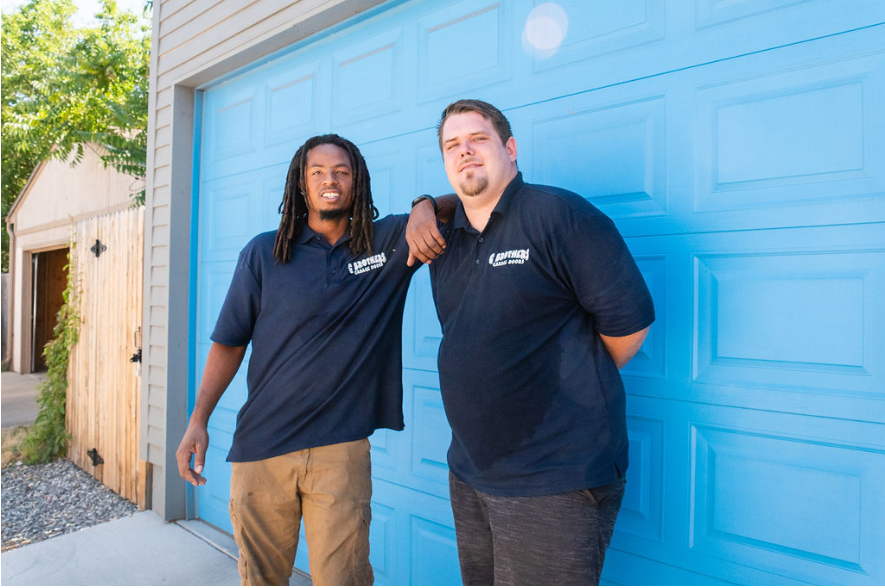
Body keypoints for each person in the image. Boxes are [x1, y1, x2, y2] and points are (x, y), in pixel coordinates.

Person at [176, 134, 450, 586]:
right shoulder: (266, 252)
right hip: (262, 450)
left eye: (341, 171)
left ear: (357, 181)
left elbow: (457, 206)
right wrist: (197, 421)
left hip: (339, 452)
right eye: (317, 171)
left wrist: (423, 205)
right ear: (300, 184)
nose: (330, 180)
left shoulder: (384, 244)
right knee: (261, 580)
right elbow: (229, 342)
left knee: (343, 579)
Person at [407, 99, 655, 585]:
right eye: (452, 146)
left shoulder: (558, 215)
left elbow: (629, 329)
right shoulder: (442, 238)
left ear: (511, 148)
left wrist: (568, 377)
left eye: (478, 139)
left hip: (554, 478)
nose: (465, 153)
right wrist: (424, 204)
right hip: (470, 471)